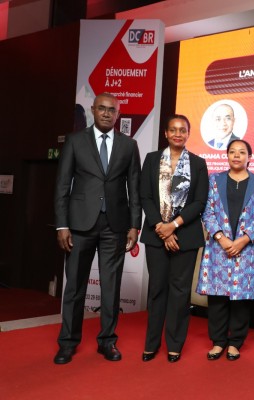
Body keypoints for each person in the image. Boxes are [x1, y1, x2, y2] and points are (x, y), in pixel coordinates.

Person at [53, 92, 141, 364]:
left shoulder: (129, 145)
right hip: (79, 225)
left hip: (115, 225)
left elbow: (134, 188)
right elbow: (62, 185)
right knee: (74, 287)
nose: (106, 113)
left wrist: (134, 225)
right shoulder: (75, 141)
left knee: (111, 287)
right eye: (101, 108)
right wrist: (62, 224)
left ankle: (107, 341)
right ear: (92, 110)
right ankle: (68, 343)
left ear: (118, 114)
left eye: (111, 110)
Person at [139, 114, 209, 363]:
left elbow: (200, 202)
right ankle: (151, 343)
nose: (178, 134)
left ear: (188, 134)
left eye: (183, 130)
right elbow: (145, 195)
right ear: (166, 134)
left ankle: (175, 344)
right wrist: (161, 227)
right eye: (173, 130)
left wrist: (174, 226)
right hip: (156, 234)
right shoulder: (152, 159)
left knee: (180, 293)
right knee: (157, 290)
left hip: (185, 236)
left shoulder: (198, 163)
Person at [196, 139, 254, 361]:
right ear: (227, 156)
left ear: (250, 157)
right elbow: (207, 212)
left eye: (241, 152)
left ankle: (235, 342)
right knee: (217, 297)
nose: (236, 156)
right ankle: (218, 342)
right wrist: (222, 238)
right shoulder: (214, 180)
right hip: (219, 247)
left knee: (241, 298)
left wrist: (242, 241)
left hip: (247, 249)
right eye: (232, 152)